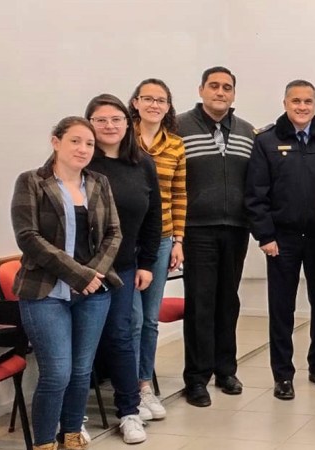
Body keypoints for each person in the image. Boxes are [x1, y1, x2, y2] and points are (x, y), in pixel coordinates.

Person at [11, 117, 122, 450]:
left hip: (93, 294)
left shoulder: (99, 183)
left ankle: (72, 435)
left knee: (81, 370)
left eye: (89, 143)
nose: (83, 149)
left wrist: (93, 275)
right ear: (56, 142)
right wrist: (79, 274)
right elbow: (28, 237)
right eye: (75, 141)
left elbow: (114, 233)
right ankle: (45, 443)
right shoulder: (32, 181)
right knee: (57, 372)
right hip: (45, 292)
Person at [245, 79, 315, 400]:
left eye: (308, 101)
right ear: (285, 103)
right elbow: (256, 194)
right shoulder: (266, 140)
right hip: (282, 240)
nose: (302, 107)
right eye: (296, 101)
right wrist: (265, 235)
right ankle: (283, 375)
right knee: (281, 308)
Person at [85, 94, 161, 444]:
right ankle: (74, 417)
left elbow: (153, 218)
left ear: (127, 123)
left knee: (121, 335)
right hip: (82, 269)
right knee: (85, 340)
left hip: (125, 267)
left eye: (116, 119)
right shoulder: (81, 159)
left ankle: (129, 411)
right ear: (89, 124)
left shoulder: (142, 163)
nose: (109, 126)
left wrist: (146, 263)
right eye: (100, 120)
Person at [177, 66, 255, 407]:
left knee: (228, 301)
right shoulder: (177, 127)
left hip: (236, 228)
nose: (220, 92)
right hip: (196, 228)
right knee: (200, 302)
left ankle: (226, 370)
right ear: (201, 90)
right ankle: (197, 378)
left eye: (227, 87)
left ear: (233, 93)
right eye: (214, 86)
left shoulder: (248, 132)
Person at [128, 78, 186, 421]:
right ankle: (128, 390)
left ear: (168, 107)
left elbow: (179, 194)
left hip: (161, 239)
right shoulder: (122, 139)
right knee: (132, 319)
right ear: (135, 102)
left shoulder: (175, 145)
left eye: (160, 100)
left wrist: (178, 240)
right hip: (124, 242)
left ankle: (144, 385)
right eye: (147, 98)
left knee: (149, 319)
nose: (154, 105)